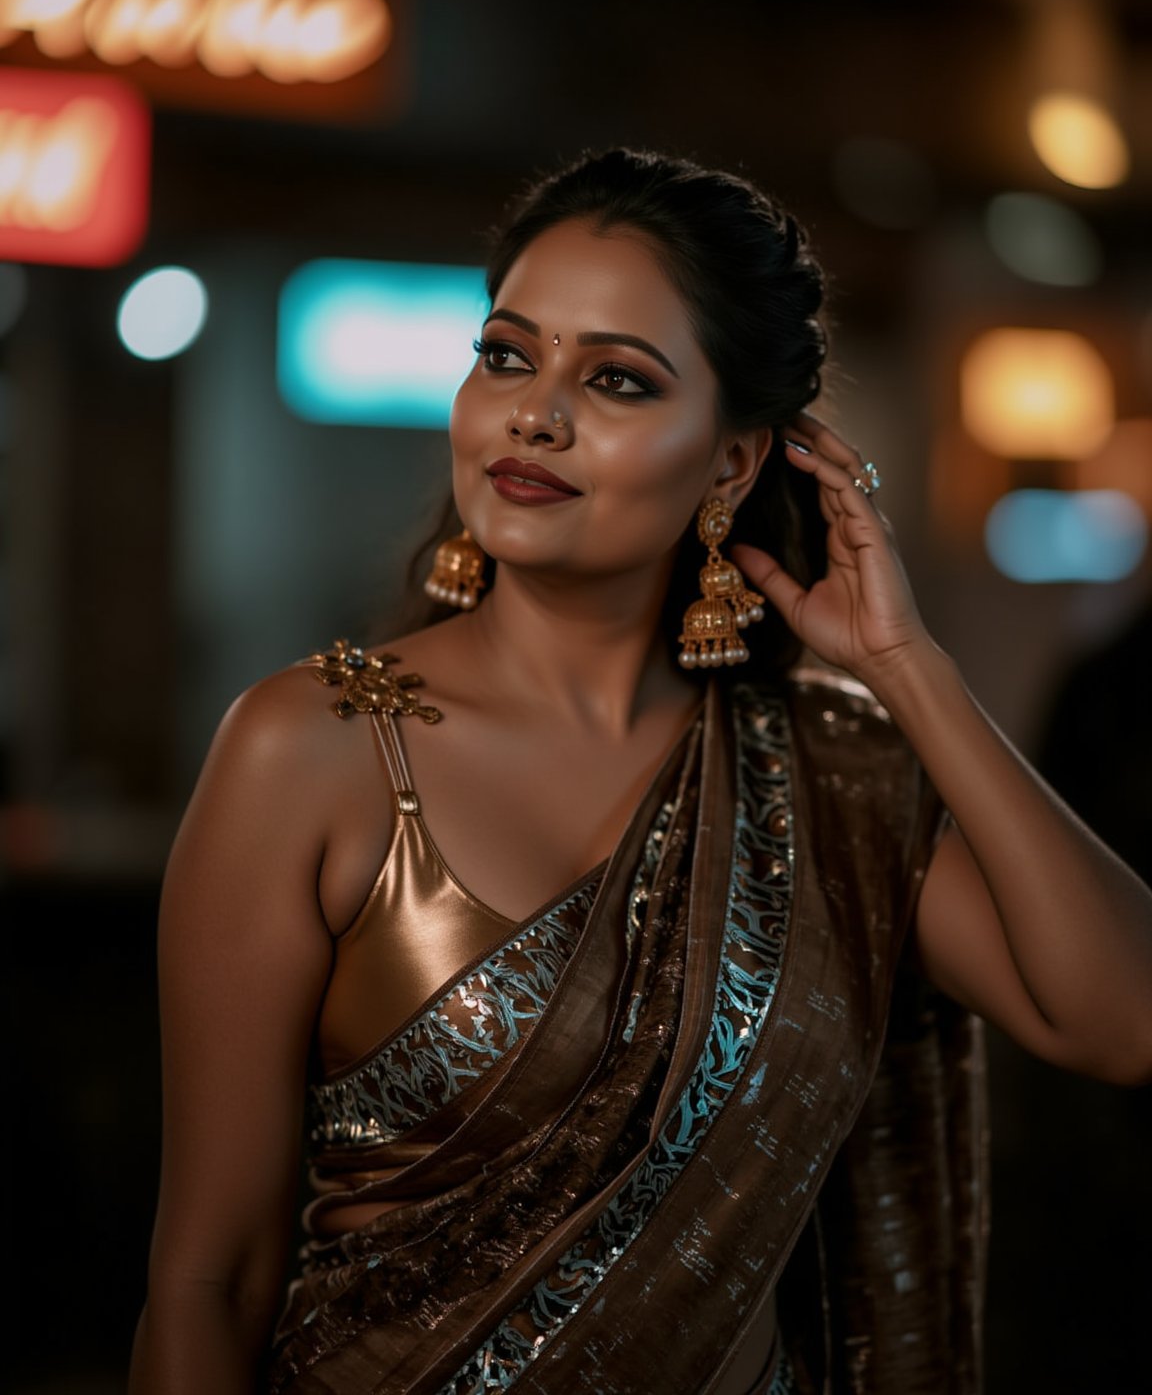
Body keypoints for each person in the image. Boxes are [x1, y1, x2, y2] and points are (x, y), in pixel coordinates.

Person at [129, 149, 1152, 1395]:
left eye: (615, 378)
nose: (534, 412)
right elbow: (208, 1280)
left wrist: (909, 670)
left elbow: (1122, 1020)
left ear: (730, 464)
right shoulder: (311, 746)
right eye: (507, 354)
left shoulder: (829, 770)